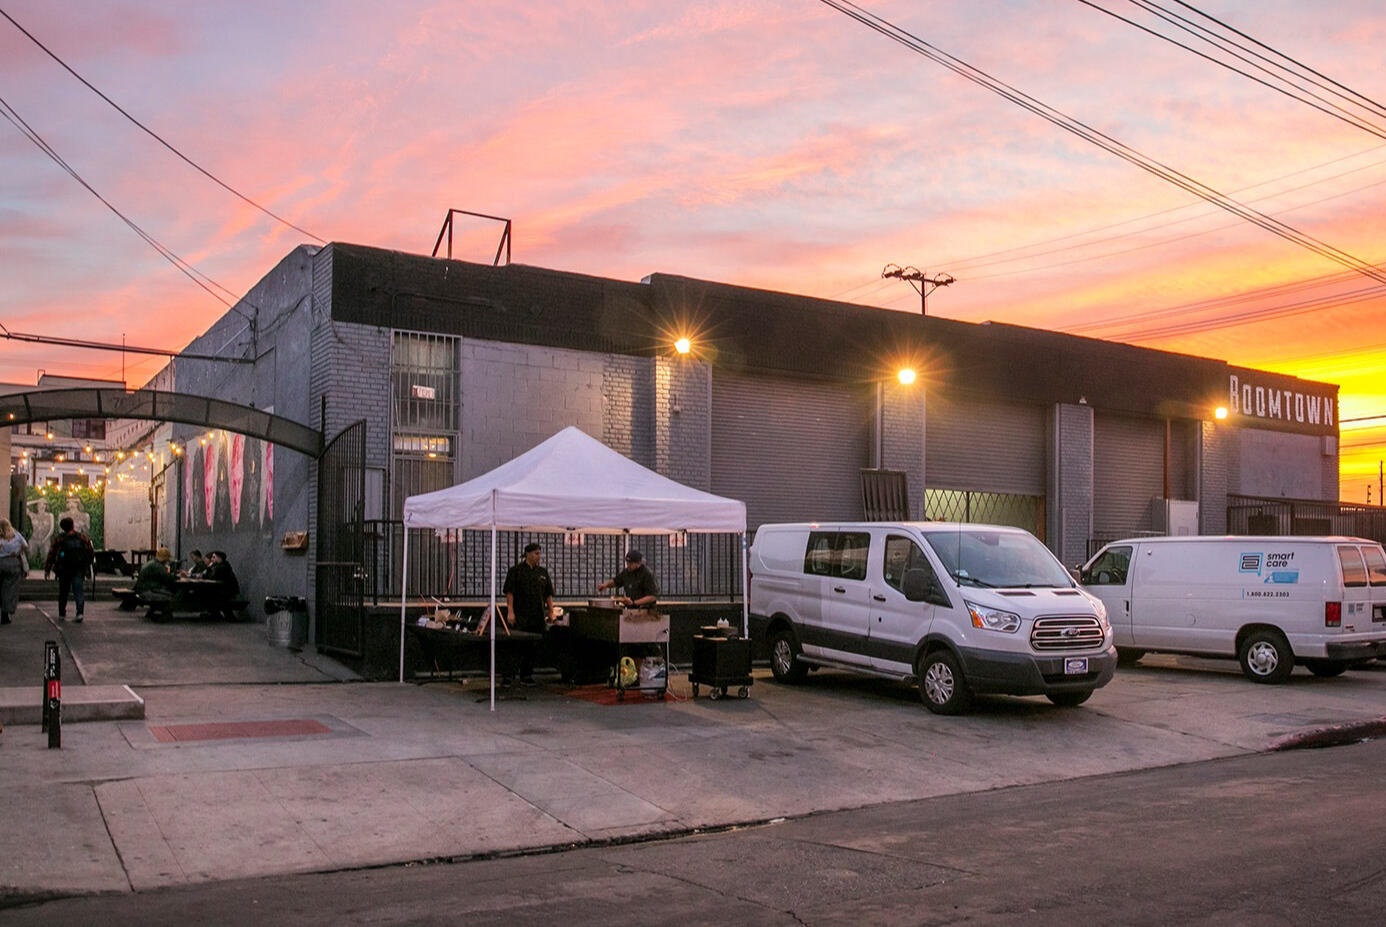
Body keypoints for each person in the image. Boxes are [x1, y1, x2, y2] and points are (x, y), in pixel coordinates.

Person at [501, 542, 554, 686]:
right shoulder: (516, 571)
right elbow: (510, 592)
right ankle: (508, 676)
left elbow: (548, 594)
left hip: (537, 616)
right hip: (520, 615)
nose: (539, 556)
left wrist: (551, 611)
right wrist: (510, 611)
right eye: (536, 553)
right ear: (528, 554)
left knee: (532, 646)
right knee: (515, 646)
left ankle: (526, 675)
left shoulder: (542, 573)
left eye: (540, 553)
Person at [44, 516, 94, 622]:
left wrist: (48, 569)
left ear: (62, 527)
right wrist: (87, 567)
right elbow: (90, 552)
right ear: (72, 525)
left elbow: (52, 554)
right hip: (78, 568)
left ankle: (62, 613)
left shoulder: (59, 539)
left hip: (64, 569)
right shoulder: (82, 537)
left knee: (63, 592)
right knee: (78, 591)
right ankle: (79, 613)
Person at [0, 517, 30, 625]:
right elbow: (25, 546)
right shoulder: (16, 535)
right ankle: (5, 614)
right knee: (10, 589)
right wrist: (17, 551)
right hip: (13, 563)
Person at [135, 547, 178, 619]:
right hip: (148, 590)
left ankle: (153, 611)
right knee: (171, 596)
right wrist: (175, 576)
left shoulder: (151, 563)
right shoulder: (157, 566)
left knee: (167, 592)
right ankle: (165, 615)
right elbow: (168, 578)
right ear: (165, 558)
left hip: (143, 589)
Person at [203, 551, 241, 620]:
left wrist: (208, 568)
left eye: (214, 557)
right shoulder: (220, 566)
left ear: (219, 558)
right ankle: (216, 613)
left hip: (227, 591)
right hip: (225, 589)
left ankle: (215, 614)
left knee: (207, 593)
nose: (211, 559)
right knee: (208, 592)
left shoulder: (222, 567)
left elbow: (211, 576)